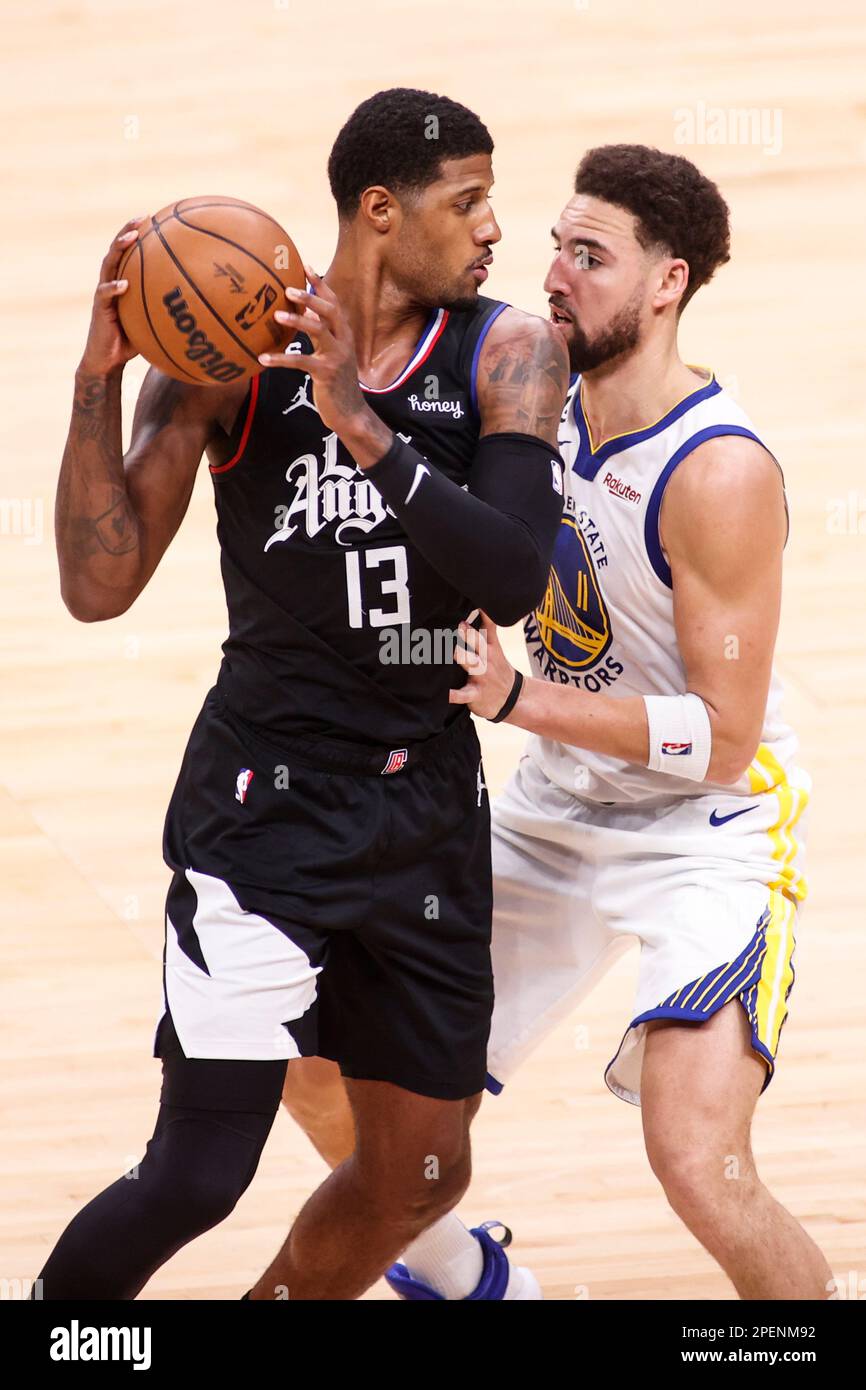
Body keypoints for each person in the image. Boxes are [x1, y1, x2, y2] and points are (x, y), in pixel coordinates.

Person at [36, 87, 568, 1301]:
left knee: (423, 1171)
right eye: (466, 202)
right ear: (380, 212)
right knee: (195, 1175)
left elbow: (513, 576)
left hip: (426, 810)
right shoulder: (237, 358)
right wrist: (95, 385)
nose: (494, 229)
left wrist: (364, 430)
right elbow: (95, 587)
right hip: (264, 810)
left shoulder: (506, 353)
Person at [280, 144, 834, 1302]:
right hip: (554, 806)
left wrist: (520, 697)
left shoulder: (715, 470)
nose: (555, 275)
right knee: (320, 1064)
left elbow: (722, 740)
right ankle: (464, 1277)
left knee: (699, 1161)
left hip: (706, 829)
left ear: (666, 282)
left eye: (590, 256)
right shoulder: (529, 400)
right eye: (553, 246)